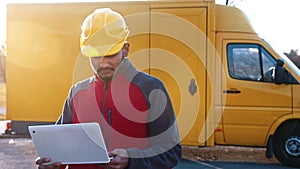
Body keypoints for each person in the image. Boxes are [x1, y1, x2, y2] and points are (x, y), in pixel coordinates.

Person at [36, 8, 182, 169]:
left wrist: (132, 160)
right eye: (96, 55)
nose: (103, 63)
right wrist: (49, 163)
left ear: (125, 50)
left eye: (110, 54)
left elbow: (171, 152)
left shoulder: (151, 89)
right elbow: (58, 149)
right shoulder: (76, 93)